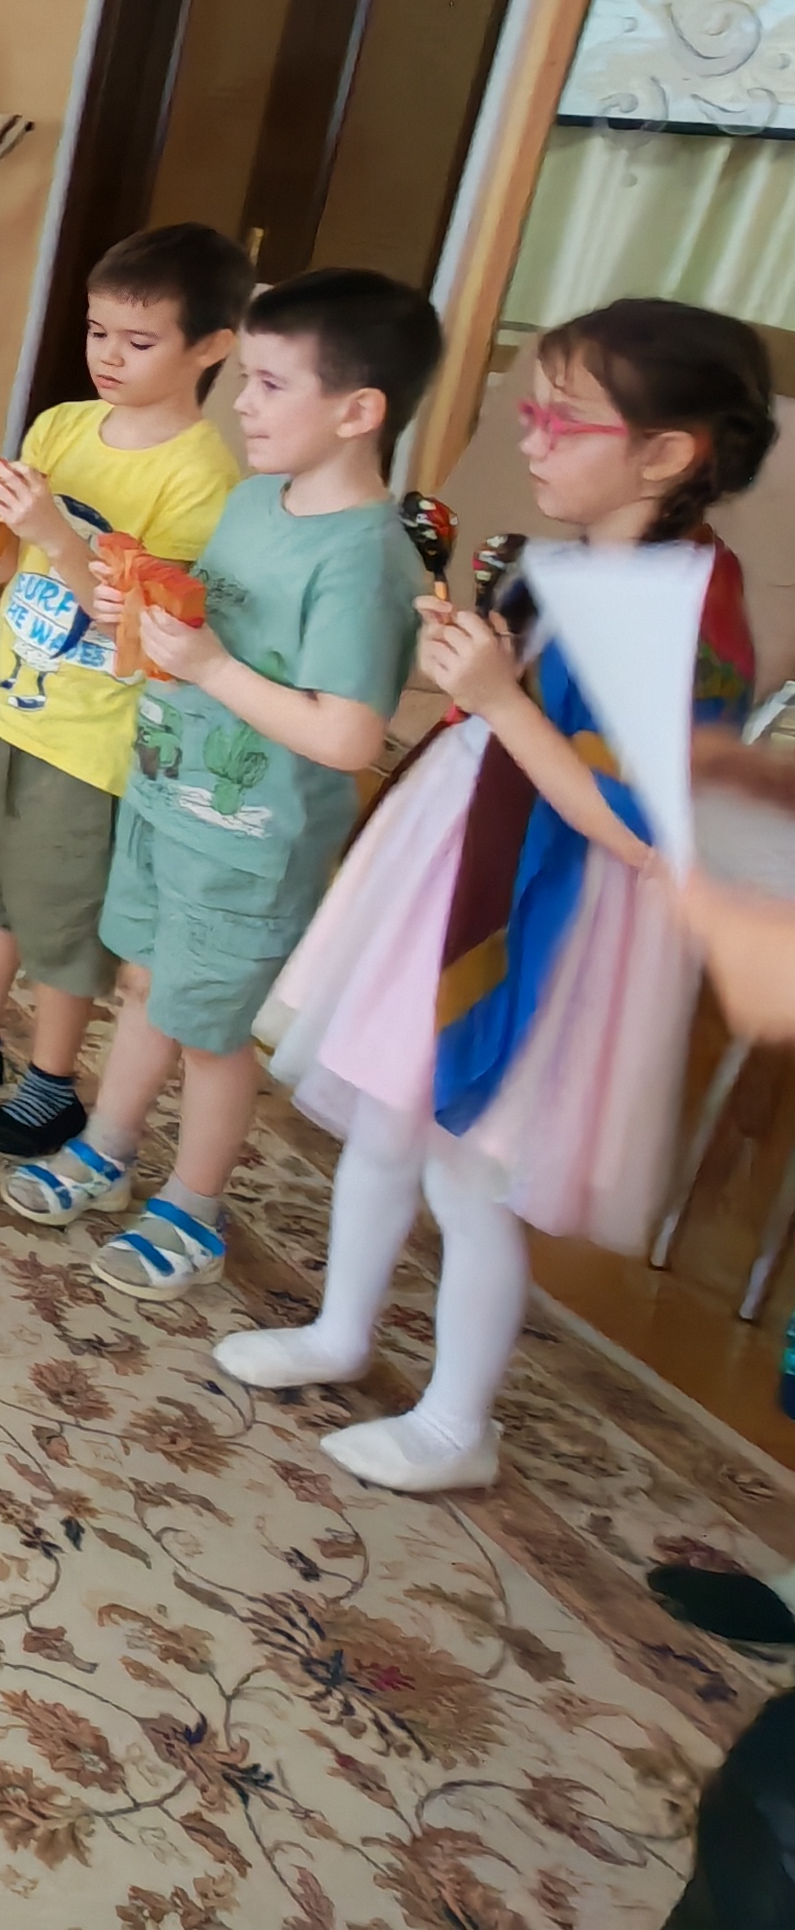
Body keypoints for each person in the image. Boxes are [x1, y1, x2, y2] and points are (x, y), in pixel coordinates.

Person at [222, 299, 769, 1492]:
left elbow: (643, 829)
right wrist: (480, 667)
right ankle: (340, 1331)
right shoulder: (570, 556)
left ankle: (456, 1424)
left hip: (551, 912)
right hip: (461, 861)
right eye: (532, 412)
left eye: (562, 420)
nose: (529, 439)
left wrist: (501, 699)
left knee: (469, 1170)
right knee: (383, 1121)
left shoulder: (692, 606)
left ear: (664, 453)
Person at [0, 267, 441, 1290]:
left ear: (358, 411)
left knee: (210, 1032)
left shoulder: (365, 559)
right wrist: (142, 613)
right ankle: (107, 1148)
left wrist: (205, 666)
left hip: (250, 843)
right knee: (145, 986)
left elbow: (346, 736)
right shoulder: (249, 502)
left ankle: (193, 1210)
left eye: (273, 385)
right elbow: (205, 628)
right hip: (166, 798)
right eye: (248, 379)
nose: (243, 404)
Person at [0, 224, 248, 1146]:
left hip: (92, 736)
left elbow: (147, 631)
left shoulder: (202, 478)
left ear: (211, 347)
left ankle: (54, 1083)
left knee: (62, 918)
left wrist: (58, 535)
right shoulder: (62, 425)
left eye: (138, 341)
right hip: (6, 697)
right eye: (97, 331)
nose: (108, 355)